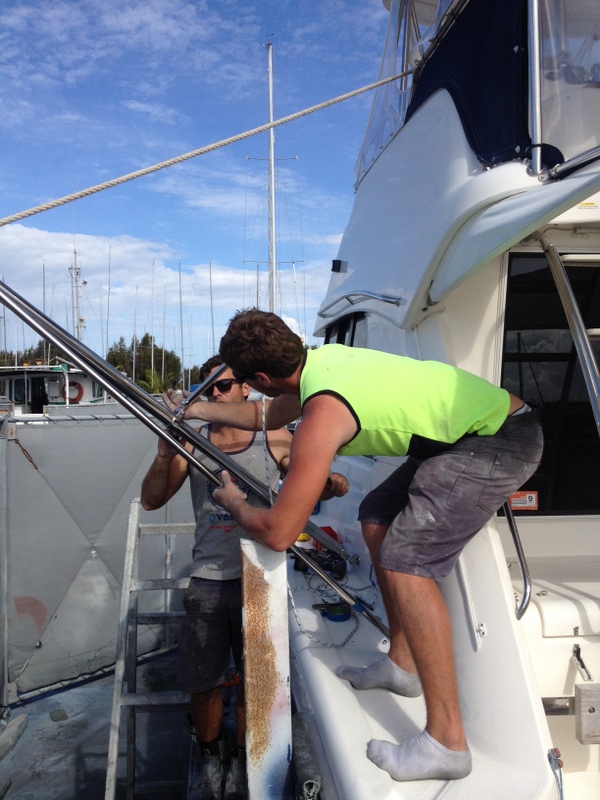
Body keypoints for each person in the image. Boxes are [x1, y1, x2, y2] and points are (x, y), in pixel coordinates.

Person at [163, 309, 544, 784]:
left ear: (260, 379)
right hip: (472, 432)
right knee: (377, 515)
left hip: (499, 439)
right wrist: (197, 410)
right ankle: (402, 664)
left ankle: (447, 743)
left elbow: (279, 533)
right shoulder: (321, 363)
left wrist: (235, 503)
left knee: (407, 560)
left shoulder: (323, 413)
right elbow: (266, 415)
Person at [142, 355, 347, 800]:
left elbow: (303, 470)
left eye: (224, 386)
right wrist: (163, 455)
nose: (214, 394)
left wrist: (329, 481)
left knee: (257, 681)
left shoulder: (275, 437)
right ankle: (209, 756)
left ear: (245, 390)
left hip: (261, 576)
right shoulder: (190, 443)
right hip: (208, 577)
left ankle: (242, 759)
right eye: (206, 389)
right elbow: (151, 500)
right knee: (203, 683)